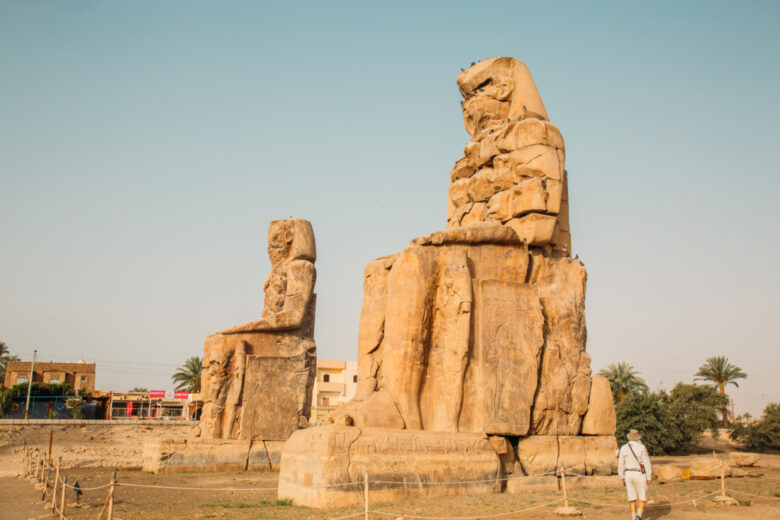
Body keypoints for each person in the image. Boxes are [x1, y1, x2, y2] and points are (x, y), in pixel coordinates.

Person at [618, 429, 652, 520]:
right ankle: (638, 517)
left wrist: (621, 476)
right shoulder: (642, 447)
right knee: (642, 497)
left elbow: (621, 463)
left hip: (628, 473)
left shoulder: (624, 448)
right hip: (639, 473)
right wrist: (649, 476)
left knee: (631, 497)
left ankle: (633, 518)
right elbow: (646, 463)